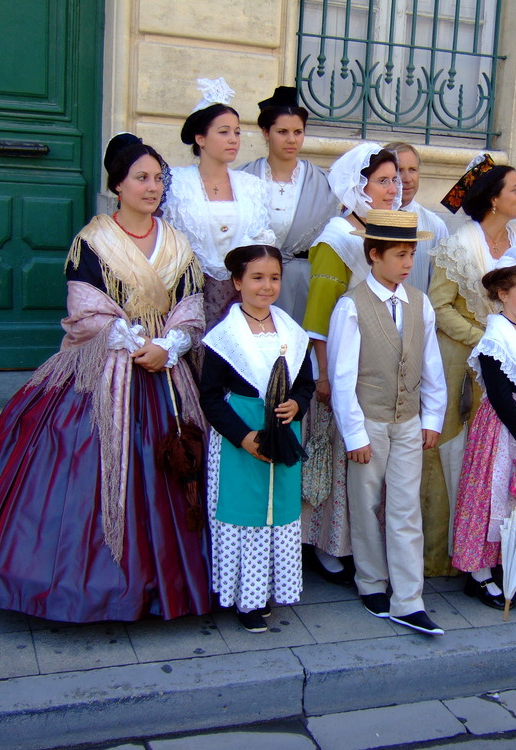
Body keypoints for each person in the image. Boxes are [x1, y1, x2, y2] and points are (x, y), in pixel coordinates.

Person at [0, 134, 211, 622]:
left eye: (157, 178)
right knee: (80, 460)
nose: (152, 187)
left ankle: (168, 579)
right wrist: (134, 344)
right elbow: (85, 311)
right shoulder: (92, 241)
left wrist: (169, 345)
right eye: (141, 178)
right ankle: (78, 579)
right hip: (105, 368)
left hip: (165, 371)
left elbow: (192, 305)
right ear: (118, 185)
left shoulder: (177, 242)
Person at [327, 210, 447, 635]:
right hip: (371, 421)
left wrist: (432, 416)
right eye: (400, 255)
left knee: (405, 507)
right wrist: (355, 433)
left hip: (408, 421)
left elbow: (431, 366)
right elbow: (343, 377)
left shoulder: (421, 303)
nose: (408, 264)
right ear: (374, 255)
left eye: (412, 254)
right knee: (366, 502)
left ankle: (409, 598)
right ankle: (371, 580)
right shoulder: (351, 306)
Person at [424, 156, 516, 577]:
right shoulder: (458, 245)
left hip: (508, 366)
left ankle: (493, 552)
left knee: (498, 453)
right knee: (455, 451)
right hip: (458, 362)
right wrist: (487, 341)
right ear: (493, 199)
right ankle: (450, 552)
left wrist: (515, 348)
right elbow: (438, 306)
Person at [199, 245, 315, 632]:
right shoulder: (225, 336)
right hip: (241, 435)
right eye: (257, 278)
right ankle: (243, 600)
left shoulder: (291, 333)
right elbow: (211, 397)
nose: (267, 286)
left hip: (282, 432)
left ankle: (267, 590)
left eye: (275, 278)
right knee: (244, 512)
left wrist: (297, 406)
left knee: (278, 513)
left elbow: (305, 384)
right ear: (237, 282)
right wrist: (242, 436)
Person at [299, 143, 401, 582]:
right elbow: (318, 319)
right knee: (336, 456)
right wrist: (323, 375)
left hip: (376, 364)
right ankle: (327, 545)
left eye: (395, 179)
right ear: (356, 186)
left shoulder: (383, 232)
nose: (393, 188)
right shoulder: (336, 239)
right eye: (382, 180)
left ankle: (360, 543)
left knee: (364, 459)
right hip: (341, 365)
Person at [451, 260, 516, 616]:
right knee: (490, 495)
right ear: (502, 294)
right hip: (503, 433)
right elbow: (498, 396)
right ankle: (479, 571)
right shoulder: (496, 338)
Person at [163, 77, 276, 327]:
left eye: (237, 132)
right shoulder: (177, 184)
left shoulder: (251, 187)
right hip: (185, 297)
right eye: (223, 132)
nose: (234, 139)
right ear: (200, 139)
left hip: (240, 301)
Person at [240, 86, 339, 324]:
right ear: (266, 132)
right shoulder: (243, 178)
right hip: (254, 281)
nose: (291, 139)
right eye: (282, 131)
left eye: (298, 132)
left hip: (302, 282)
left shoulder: (323, 182)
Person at [384, 141, 450, 294]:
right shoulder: (367, 220)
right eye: (399, 170)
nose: (407, 178)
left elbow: (440, 290)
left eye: (412, 170)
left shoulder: (435, 225)